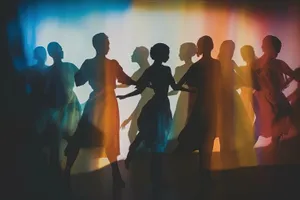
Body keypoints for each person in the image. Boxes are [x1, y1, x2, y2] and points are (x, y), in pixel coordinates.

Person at [117, 43, 193, 195]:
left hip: (156, 106)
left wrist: (125, 95)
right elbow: (174, 86)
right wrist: (189, 89)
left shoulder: (151, 70)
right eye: (167, 53)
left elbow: (140, 89)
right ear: (161, 55)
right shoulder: (164, 70)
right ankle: (155, 179)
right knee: (156, 143)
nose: (168, 55)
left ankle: (138, 157)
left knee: (149, 136)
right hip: (160, 107)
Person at [64, 33, 136, 188]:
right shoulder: (112, 64)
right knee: (109, 137)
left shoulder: (90, 63)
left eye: (108, 44)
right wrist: (139, 82)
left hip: (97, 103)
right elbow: (126, 79)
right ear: (99, 45)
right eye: (107, 43)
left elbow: (79, 81)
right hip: (108, 104)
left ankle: (67, 171)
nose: (108, 46)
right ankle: (115, 175)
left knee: (83, 136)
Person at [252, 35, 300, 163]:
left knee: (279, 121)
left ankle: (274, 151)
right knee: (261, 125)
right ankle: (250, 151)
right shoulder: (257, 64)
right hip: (264, 99)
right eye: (276, 49)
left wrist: (293, 76)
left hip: (275, 98)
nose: (277, 53)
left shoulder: (278, 64)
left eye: (279, 50)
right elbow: (254, 83)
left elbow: (294, 75)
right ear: (268, 48)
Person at [217, 40, 254, 168]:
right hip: (224, 98)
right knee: (225, 126)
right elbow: (242, 79)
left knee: (230, 126)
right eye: (230, 49)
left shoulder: (226, 63)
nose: (232, 52)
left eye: (232, 49)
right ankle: (226, 158)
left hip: (229, 98)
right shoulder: (220, 63)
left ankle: (229, 158)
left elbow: (242, 79)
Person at [118, 46, 154, 143]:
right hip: (145, 104)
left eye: (134, 53)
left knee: (136, 133)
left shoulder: (148, 71)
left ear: (141, 56)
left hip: (150, 106)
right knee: (133, 133)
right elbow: (128, 84)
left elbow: (130, 84)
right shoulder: (140, 71)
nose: (132, 55)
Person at [167, 42, 197, 151]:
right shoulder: (194, 67)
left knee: (183, 120)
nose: (179, 53)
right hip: (191, 98)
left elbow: (175, 88)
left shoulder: (181, 69)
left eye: (181, 50)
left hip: (187, 99)